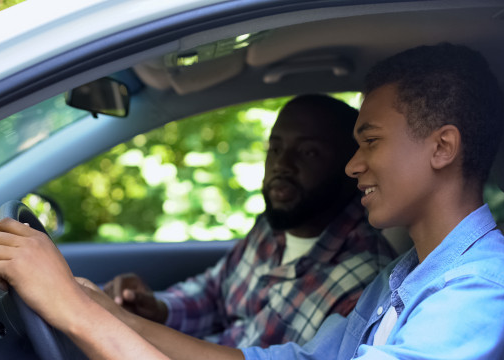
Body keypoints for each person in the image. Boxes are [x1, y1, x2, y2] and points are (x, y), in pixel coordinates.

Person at [0, 42, 504, 360]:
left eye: (370, 141)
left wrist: (70, 311)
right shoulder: (405, 277)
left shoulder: (479, 289)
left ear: (442, 147)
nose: (353, 164)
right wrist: (102, 310)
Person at [101, 94, 395, 348]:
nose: (282, 165)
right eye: (275, 148)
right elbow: (215, 291)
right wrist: (158, 309)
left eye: (308, 152)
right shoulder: (273, 226)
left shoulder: (365, 281)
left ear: (352, 167)